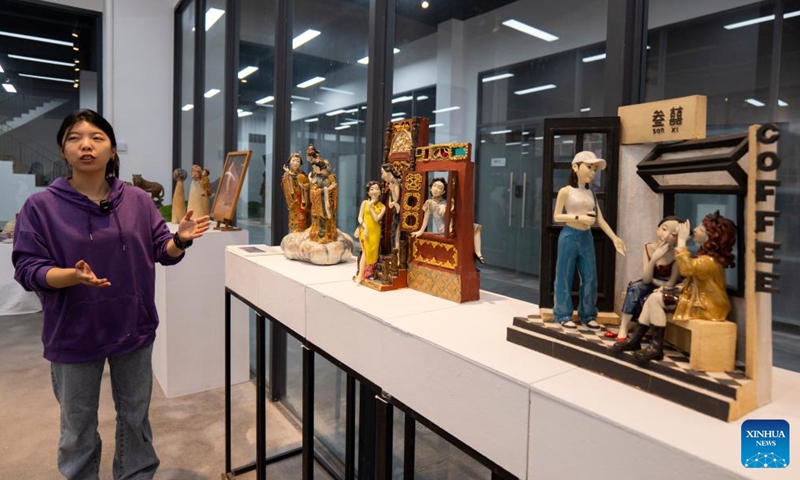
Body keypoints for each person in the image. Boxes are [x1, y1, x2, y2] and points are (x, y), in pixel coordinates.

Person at [12, 109, 210, 480]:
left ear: (112, 150)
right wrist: (71, 276)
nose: (86, 145)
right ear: (63, 150)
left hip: (132, 326)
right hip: (73, 331)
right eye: (74, 138)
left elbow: (162, 250)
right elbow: (27, 268)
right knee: (78, 426)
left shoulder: (137, 200)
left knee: (135, 416)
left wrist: (180, 240)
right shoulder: (41, 207)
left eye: (97, 137)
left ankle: (136, 474)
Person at [618, 211, 737, 361]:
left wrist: (681, 241)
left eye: (701, 229)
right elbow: (690, 281)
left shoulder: (708, 261)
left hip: (705, 306)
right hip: (695, 299)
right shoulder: (705, 256)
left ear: (711, 237)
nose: (694, 230)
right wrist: (672, 289)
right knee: (651, 298)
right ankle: (635, 340)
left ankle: (656, 347)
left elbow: (686, 269)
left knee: (655, 299)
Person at [552, 151, 626, 330]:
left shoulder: (591, 193)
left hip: (586, 237)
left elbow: (600, 219)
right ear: (575, 167)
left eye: (594, 169)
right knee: (564, 275)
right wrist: (578, 217)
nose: (592, 173)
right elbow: (557, 216)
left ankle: (588, 314)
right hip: (569, 236)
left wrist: (614, 238)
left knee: (590, 276)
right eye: (589, 167)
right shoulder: (565, 191)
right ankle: (563, 314)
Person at [610, 216, 681, 344]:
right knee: (635, 288)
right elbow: (647, 279)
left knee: (651, 297)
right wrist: (654, 259)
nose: (665, 236)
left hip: (666, 286)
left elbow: (671, 283)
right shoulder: (648, 247)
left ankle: (641, 334)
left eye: (673, 234)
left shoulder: (677, 255)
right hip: (650, 281)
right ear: (657, 229)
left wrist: (659, 285)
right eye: (664, 229)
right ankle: (623, 327)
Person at [410, 177, 485, 263]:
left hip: (452, 225)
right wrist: (420, 231)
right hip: (444, 229)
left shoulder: (447, 202)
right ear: (430, 188)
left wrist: (446, 207)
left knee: (475, 226)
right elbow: (426, 219)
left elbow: (453, 212)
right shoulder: (429, 202)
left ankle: (478, 252)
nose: (436, 189)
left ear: (443, 192)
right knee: (471, 228)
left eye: (440, 188)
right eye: (434, 186)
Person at [354, 181, 386, 283]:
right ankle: (360, 275)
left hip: (375, 231)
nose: (374, 191)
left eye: (377, 189)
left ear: (380, 192)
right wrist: (364, 227)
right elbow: (360, 217)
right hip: (365, 230)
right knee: (365, 251)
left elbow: (376, 219)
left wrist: (371, 206)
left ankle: (368, 273)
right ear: (368, 192)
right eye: (371, 189)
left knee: (372, 253)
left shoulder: (382, 207)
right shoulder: (364, 203)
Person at [308, 158, 338, 243]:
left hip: (328, 203)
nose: (314, 169)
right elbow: (313, 191)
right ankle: (320, 235)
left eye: (315, 168)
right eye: (313, 168)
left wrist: (331, 189)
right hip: (319, 203)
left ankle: (329, 234)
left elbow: (334, 187)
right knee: (320, 219)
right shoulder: (316, 178)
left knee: (329, 219)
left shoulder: (330, 177)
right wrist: (326, 190)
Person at [281, 152, 310, 233]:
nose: (296, 163)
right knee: (294, 217)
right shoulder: (286, 175)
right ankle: (295, 231)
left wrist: (304, 186)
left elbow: (308, 185)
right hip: (293, 200)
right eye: (293, 161)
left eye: (298, 161)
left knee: (303, 216)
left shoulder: (303, 174)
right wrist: (288, 175)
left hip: (302, 199)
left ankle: (304, 230)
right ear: (290, 162)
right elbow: (285, 186)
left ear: (300, 163)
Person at [380, 163, 402, 252]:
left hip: (398, 213)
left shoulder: (395, 183)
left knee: (396, 234)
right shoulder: (390, 184)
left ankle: (396, 255)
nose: (382, 176)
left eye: (383, 173)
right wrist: (393, 203)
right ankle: (394, 253)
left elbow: (396, 198)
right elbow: (390, 204)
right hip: (395, 211)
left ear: (388, 172)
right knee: (393, 233)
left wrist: (392, 190)